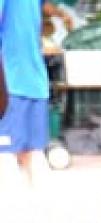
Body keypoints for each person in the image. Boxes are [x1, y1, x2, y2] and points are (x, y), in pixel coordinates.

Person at [0, 0, 50, 192]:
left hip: (12, 83)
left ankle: (21, 216)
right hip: (33, 82)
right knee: (30, 154)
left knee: (7, 156)